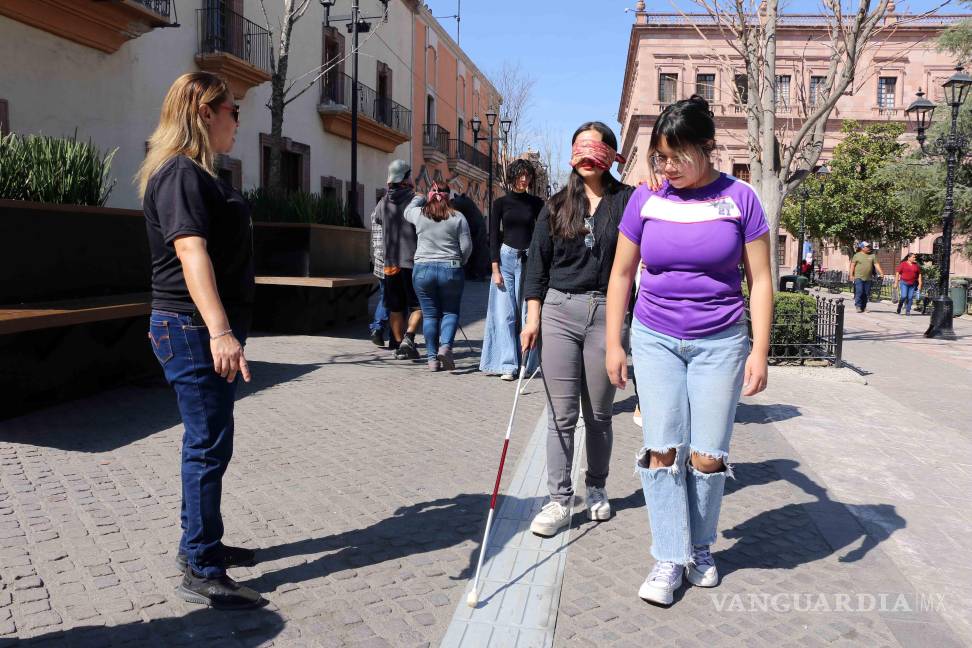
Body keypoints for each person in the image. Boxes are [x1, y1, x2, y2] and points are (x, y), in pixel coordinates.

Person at [604, 95, 772, 606]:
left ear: (707, 148)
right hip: (654, 339)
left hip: (720, 342)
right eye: (660, 156)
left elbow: (762, 279)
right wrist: (615, 343)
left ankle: (700, 546)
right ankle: (668, 554)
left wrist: (760, 349)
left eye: (678, 155)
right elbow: (621, 274)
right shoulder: (647, 199)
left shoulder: (740, 199)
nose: (667, 166)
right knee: (661, 448)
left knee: (705, 456)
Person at [137, 72, 263, 609]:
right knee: (208, 445)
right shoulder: (182, 174)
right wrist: (220, 331)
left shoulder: (195, 172)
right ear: (205, 112)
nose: (238, 119)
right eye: (233, 110)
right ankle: (201, 565)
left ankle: (200, 544)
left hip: (193, 326)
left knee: (208, 442)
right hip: (190, 327)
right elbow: (191, 253)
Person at [520, 122, 634, 537]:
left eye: (597, 147)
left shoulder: (628, 202)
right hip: (558, 311)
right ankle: (559, 499)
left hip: (608, 312)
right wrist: (532, 318)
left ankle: (598, 487)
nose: (588, 155)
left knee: (600, 415)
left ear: (610, 155)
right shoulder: (554, 206)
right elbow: (537, 266)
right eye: (580, 147)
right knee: (561, 415)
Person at [481, 160, 545, 380]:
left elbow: (544, 233)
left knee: (529, 313)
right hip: (506, 259)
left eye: (527, 176)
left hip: (529, 259)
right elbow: (493, 237)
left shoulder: (536, 203)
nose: (524, 179)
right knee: (505, 314)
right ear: (512, 177)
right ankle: (508, 364)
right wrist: (495, 268)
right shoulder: (500, 203)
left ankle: (526, 363)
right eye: (520, 175)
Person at [404, 183, 473, 371]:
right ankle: (446, 347)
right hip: (450, 268)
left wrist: (419, 197)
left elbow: (407, 211)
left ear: (430, 196)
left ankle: (432, 360)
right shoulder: (458, 217)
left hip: (422, 270)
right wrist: (461, 261)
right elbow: (467, 246)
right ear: (448, 197)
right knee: (450, 312)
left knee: (430, 315)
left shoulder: (419, 214)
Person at [374, 160, 422, 358]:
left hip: (390, 262)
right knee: (417, 306)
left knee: (395, 308)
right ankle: (408, 339)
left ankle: (399, 346)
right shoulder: (415, 199)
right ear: (405, 178)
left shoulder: (383, 202)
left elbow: (376, 219)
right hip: (412, 262)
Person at [369, 202, 389, 347]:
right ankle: (379, 328)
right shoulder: (393, 212)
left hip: (379, 260)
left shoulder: (375, 212)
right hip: (393, 261)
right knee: (394, 299)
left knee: (384, 296)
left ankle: (377, 327)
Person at [849, 241, 884, 313]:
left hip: (868, 278)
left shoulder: (872, 255)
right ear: (862, 248)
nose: (869, 248)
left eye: (869, 246)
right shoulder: (857, 255)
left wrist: (881, 273)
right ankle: (858, 306)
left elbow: (876, 264)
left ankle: (864, 307)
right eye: (867, 247)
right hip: (858, 277)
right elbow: (852, 266)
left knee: (866, 293)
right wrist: (851, 275)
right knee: (859, 291)